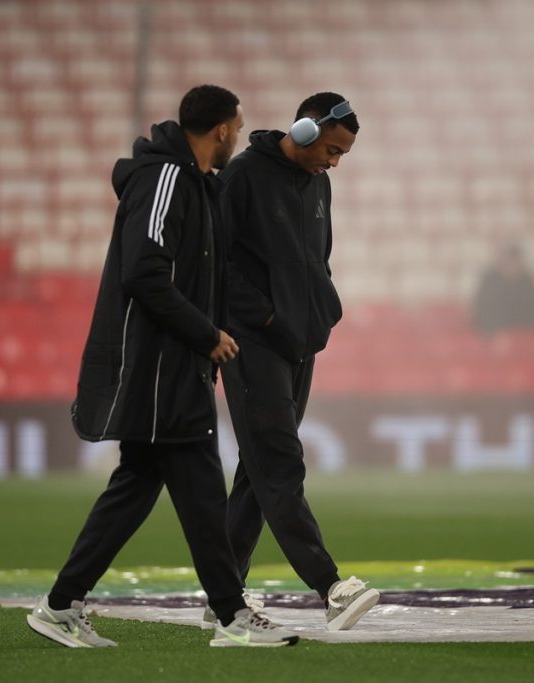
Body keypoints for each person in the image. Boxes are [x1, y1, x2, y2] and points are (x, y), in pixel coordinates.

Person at [26, 85, 298, 649]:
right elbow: (144, 273)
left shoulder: (198, 186)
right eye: (239, 129)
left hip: (174, 367)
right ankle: (230, 615)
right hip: (157, 370)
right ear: (222, 129)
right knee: (197, 490)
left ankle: (62, 604)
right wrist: (206, 334)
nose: (239, 138)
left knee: (141, 487)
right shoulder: (166, 179)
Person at [212, 92, 380, 632]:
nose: (333, 162)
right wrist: (261, 319)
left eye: (341, 155)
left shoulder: (319, 184)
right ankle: (329, 586)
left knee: (257, 473)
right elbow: (218, 262)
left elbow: (317, 261)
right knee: (280, 464)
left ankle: (224, 595)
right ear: (305, 130)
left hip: (298, 345)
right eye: (331, 149)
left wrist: (318, 317)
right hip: (251, 343)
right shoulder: (241, 177)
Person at [472, 242, 534, 335]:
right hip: (494, 337)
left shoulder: (529, 283)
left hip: (524, 335)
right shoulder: (489, 283)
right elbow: (483, 315)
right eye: (508, 260)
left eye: (515, 260)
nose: (512, 265)